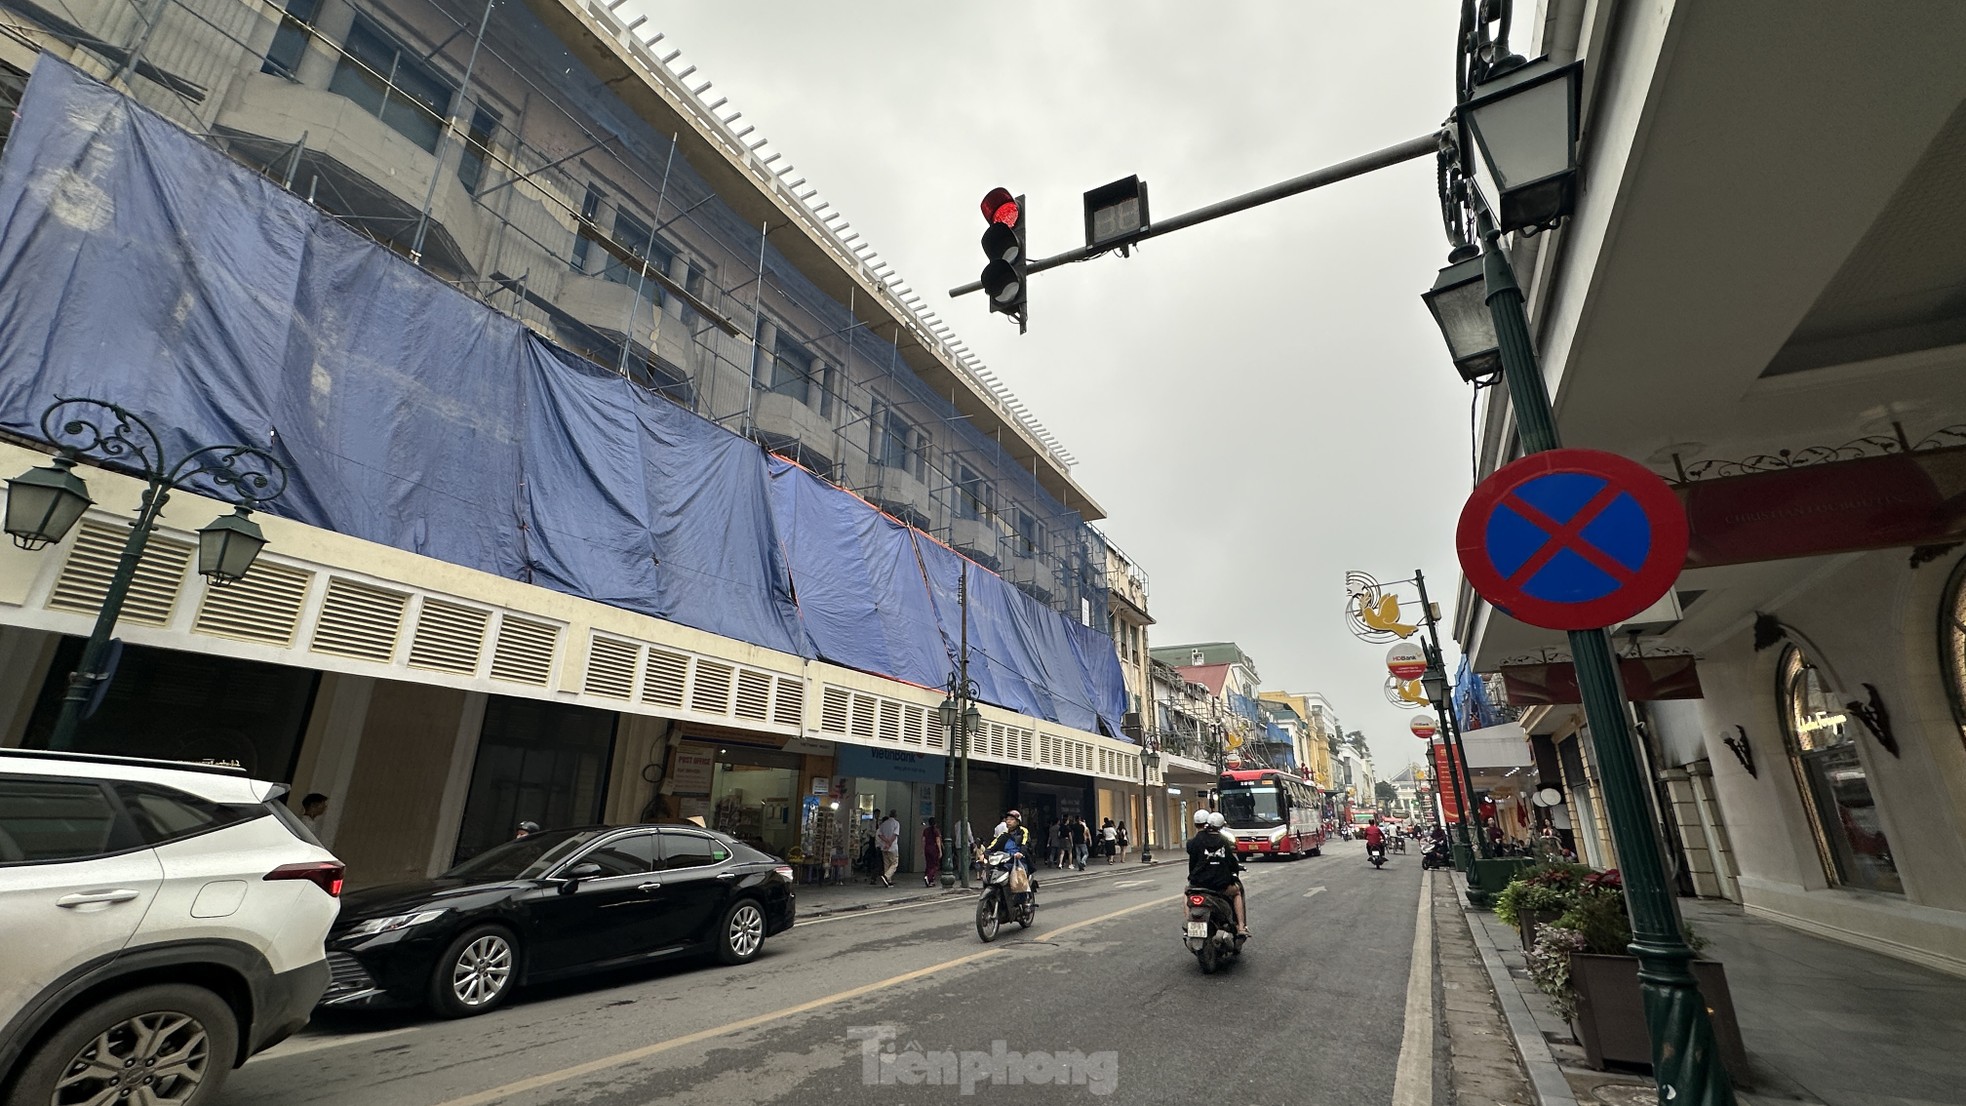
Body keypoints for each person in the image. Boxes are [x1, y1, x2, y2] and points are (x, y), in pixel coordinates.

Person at [1187, 811, 1248, 937]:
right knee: (1237, 891)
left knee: (1187, 893)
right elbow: (1231, 862)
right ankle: (1241, 926)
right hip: (1220, 887)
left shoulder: (1197, 840)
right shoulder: (1224, 840)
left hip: (1198, 884)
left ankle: (1189, 922)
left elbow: (1192, 859)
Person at [985, 811, 1034, 908]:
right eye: (1007, 819)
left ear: (1017, 821)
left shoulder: (1023, 831)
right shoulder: (1003, 835)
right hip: (1004, 860)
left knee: (1019, 876)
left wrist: (1021, 853)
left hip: (1019, 861)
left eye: (1011, 819)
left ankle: (1023, 902)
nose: (1008, 822)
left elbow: (1025, 844)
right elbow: (992, 846)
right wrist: (984, 854)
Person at [877, 809, 902, 888]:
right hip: (893, 847)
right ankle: (886, 876)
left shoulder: (884, 824)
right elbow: (895, 835)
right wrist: (889, 843)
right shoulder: (896, 823)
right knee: (894, 863)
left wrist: (886, 842)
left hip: (883, 846)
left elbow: (880, 835)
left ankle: (888, 881)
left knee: (886, 864)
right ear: (896, 815)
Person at [921, 817, 943, 887]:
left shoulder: (926, 830)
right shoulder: (936, 831)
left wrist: (923, 849)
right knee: (935, 865)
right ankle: (929, 876)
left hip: (927, 848)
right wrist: (940, 850)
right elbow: (938, 841)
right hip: (934, 849)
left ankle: (930, 881)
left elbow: (923, 840)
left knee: (928, 864)